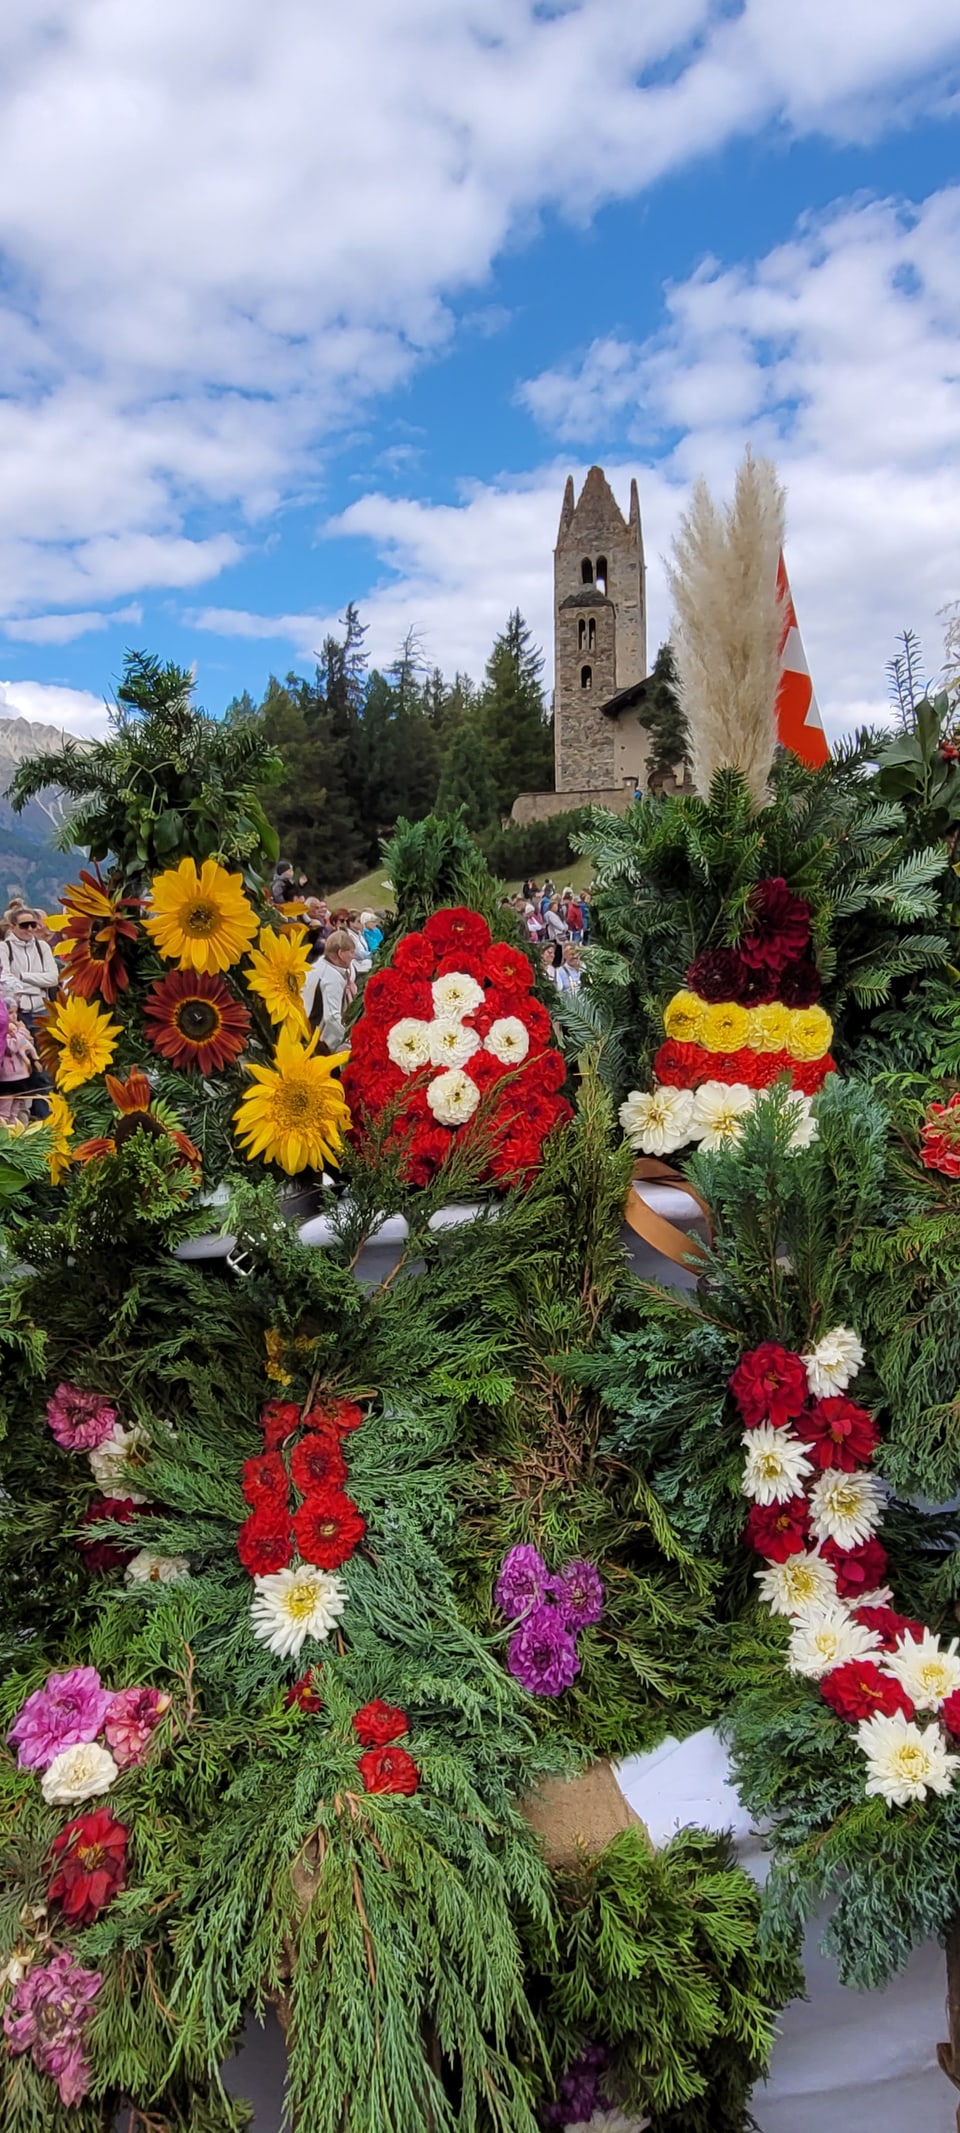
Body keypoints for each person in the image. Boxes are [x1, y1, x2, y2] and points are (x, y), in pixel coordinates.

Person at [0, 908, 59, 1028]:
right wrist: (39, 986)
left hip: (42, 1011)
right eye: (24, 926)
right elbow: (5, 980)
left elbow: (53, 979)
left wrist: (22, 976)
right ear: (12, 927)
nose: (30, 929)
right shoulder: (4, 947)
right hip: (17, 1012)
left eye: (33, 925)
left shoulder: (42, 947)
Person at [302, 929, 357, 1050]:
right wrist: (351, 1038)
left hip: (305, 1029)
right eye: (351, 952)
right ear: (341, 953)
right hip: (318, 1040)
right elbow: (331, 1017)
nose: (354, 956)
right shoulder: (332, 977)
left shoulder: (319, 966)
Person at [0, 997, 48, 1123]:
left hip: (21, 1076)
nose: (14, 1016)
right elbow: (11, 1046)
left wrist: (35, 1059)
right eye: (10, 1013)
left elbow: (28, 1044)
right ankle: (5, 1135)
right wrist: (21, 1032)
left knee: (15, 1110)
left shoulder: (17, 1029)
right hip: (7, 1077)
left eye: (16, 1012)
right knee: (5, 1111)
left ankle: (15, 1135)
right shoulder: (5, 1032)